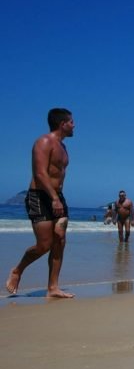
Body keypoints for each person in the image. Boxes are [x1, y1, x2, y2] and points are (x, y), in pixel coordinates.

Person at [6, 108, 76, 298]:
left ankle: (53, 288)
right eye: (71, 122)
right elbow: (39, 173)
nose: (74, 125)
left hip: (57, 196)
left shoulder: (63, 146)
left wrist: (57, 197)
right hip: (40, 197)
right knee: (44, 244)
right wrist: (53, 198)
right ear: (62, 124)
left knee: (60, 240)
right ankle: (18, 270)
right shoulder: (44, 142)